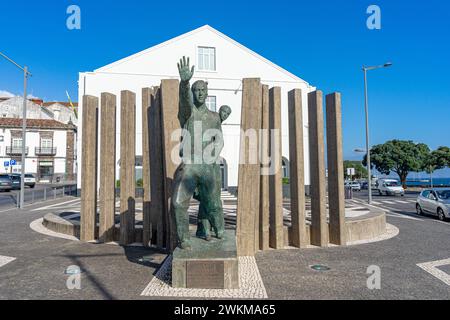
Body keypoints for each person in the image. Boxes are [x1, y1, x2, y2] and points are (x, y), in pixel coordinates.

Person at [171, 56, 227, 250]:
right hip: (190, 165)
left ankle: (219, 231)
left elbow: (219, 139)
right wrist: (184, 82)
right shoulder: (188, 113)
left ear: (207, 92)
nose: (200, 93)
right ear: (193, 93)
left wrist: (212, 156)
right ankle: (184, 239)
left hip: (209, 166)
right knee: (178, 203)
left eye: (203, 90)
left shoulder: (214, 117)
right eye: (197, 90)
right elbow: (184, 102)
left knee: (213, 205)